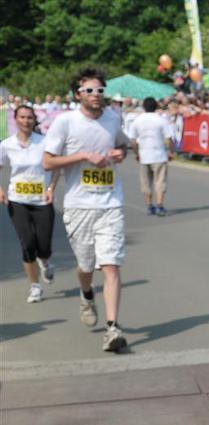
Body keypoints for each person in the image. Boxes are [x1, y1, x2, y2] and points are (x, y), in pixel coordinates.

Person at [43, 67, 130, 352]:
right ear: (78, 94)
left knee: (111, 265)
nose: (96, 95)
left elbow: (123, 144)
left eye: (100, 90)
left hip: (110, 202)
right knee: (86, 266)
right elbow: (48, 162)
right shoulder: (65, 122)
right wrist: (82, 156)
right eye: (89, 90)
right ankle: (86, 292)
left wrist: (120, 153)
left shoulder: (112, 118)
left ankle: (112, 328)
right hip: (79, 205)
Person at [1, 105, 58, 303]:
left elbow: (56, 167)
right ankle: (35, 286)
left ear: (35, 120)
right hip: (18, 201)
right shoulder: (6, 144)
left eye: (29, 118)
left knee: (44, 246)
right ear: (15, 119)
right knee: (27, 244)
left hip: (42, 201)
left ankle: (46, 262)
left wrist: (51, 188)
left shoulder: (45, 142)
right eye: (22, 117)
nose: (26, 121)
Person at [127, 97, 174, 216]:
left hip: (144, 154)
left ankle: (149, 206)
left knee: (146, 183)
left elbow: (132, 140)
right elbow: (169, 138)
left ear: (143, 107)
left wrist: (136, 153)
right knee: (160, 181)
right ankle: (160, 205)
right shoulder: (161, 120)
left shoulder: (138, 120)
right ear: (156, 106)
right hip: (159, 154)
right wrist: (171, 152)